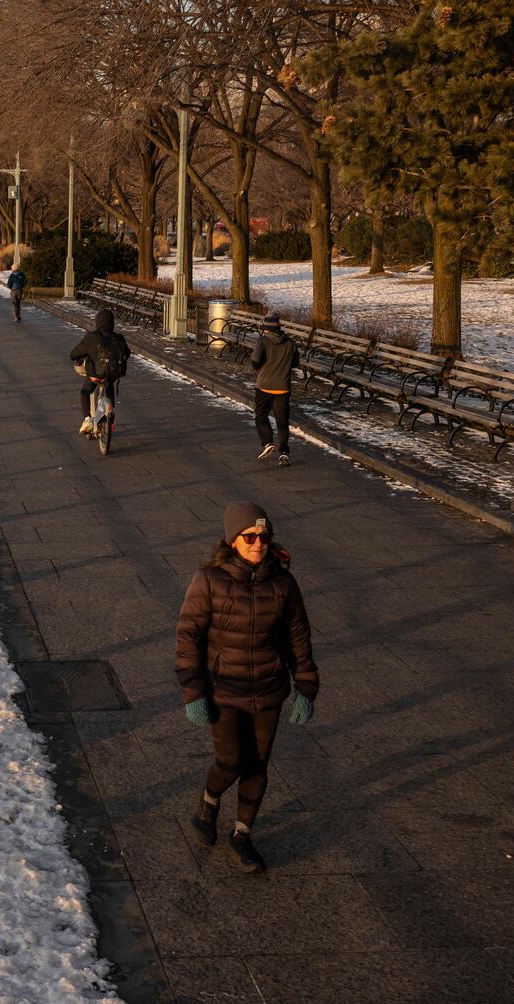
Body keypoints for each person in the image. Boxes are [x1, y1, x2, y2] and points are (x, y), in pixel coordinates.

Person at [175, 502, 319, 874]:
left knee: (257, 765)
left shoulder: (284, 583)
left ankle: (242, 835)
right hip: (224, 691)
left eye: (264, 537)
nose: (258, 543)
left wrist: (305, 685)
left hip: (269, 690)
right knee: (230, 762)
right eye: (250, 537)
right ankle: (209, 803)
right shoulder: (209, 580)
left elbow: (298, 637)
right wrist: (194, 692)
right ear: (233, 540)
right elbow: (188, 636)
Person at [67, 308, 129, 435]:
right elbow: (127, 353)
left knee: (85, 392)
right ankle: (110, 411)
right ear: (112, 323)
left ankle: (87, 419)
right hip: (113, 374)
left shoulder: (92, 337)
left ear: (97, 322)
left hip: (95, 375)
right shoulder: (119, 338)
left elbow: (74, 354)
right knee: (109, 384)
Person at [250, 312, 297, 466]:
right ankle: (284, 452)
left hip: (264, 386)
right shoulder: (290, 343)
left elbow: (255, 361)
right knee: (282, 421)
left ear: (267, 329)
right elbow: (295, 362)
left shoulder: (262, 341)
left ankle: (267, 443)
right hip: (283, 387)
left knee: (261, 415)